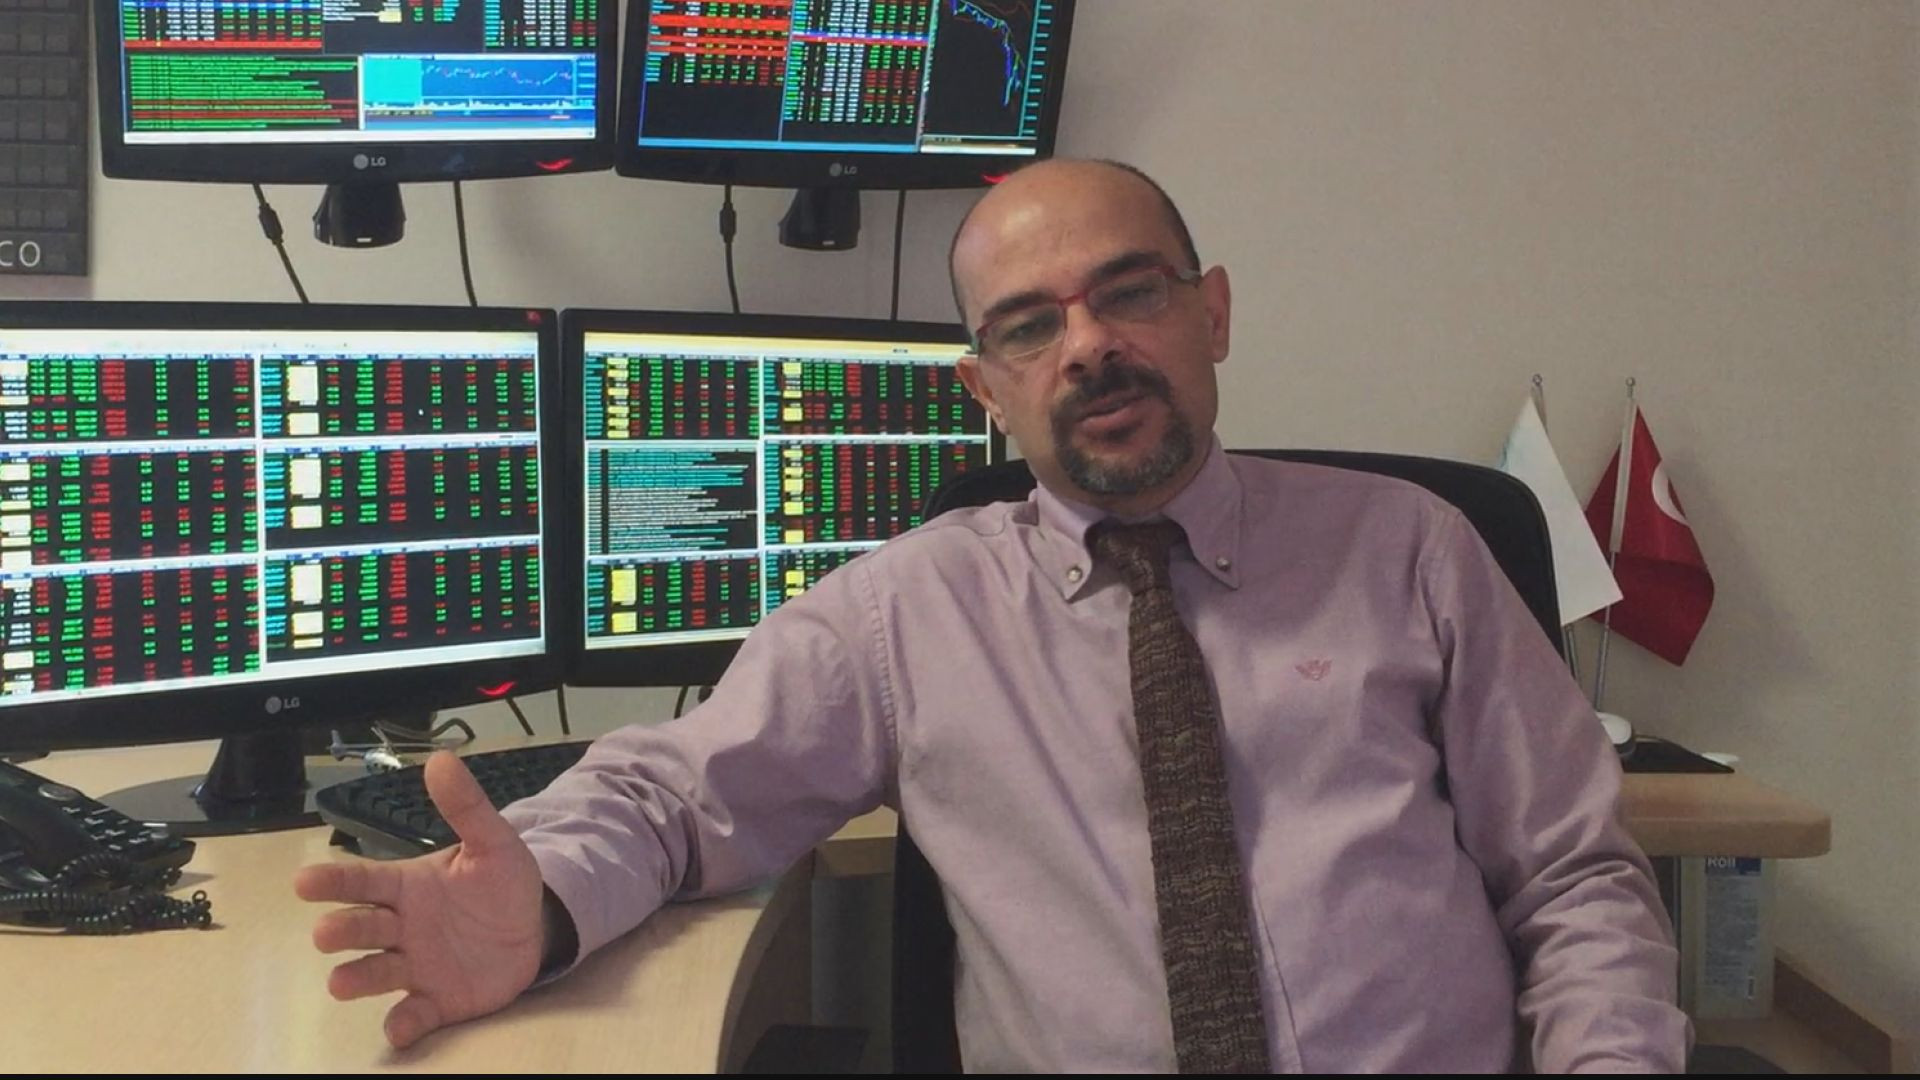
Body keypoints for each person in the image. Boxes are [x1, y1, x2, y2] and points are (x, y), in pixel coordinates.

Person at [295, 158, 1691, 1072]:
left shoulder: (1412, 548)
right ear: (987, 387)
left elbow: (1573, 880)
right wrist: (539, 906)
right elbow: (672, 795)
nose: (1089, 346)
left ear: (1211, 314)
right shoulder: (904, 616)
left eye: (1129, 294)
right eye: (1029, 325)